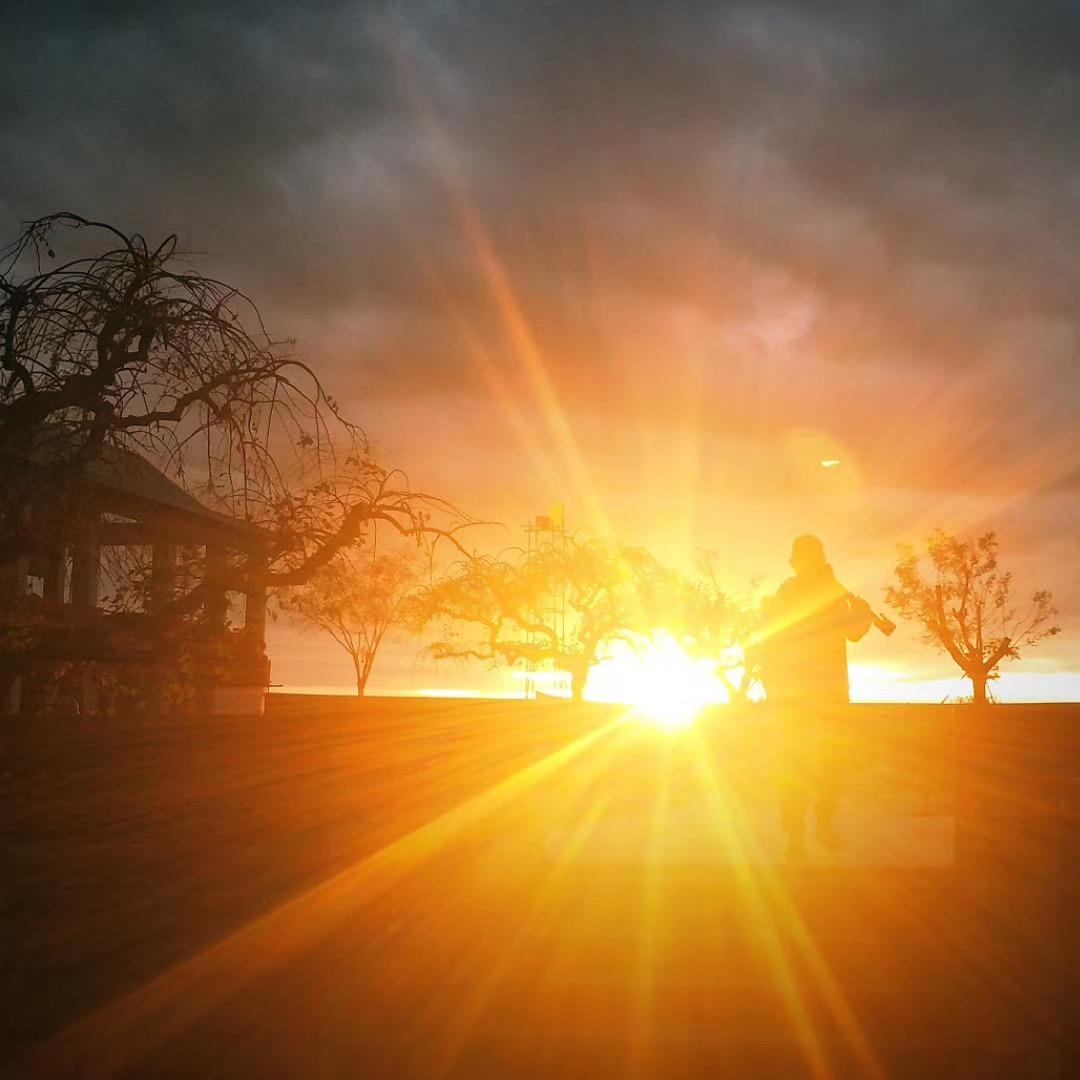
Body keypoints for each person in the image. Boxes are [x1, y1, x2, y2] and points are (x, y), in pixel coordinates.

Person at [757, 535, 873, 861]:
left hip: (814, 692)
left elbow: (851, 632)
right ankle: (806, 834)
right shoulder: (820, 592)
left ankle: (810, 832)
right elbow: (853, 632)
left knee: (819, 763)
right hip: (809, 692)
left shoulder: (816, 592)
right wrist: (859, 614)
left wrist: (859, 614)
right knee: (811, 763)